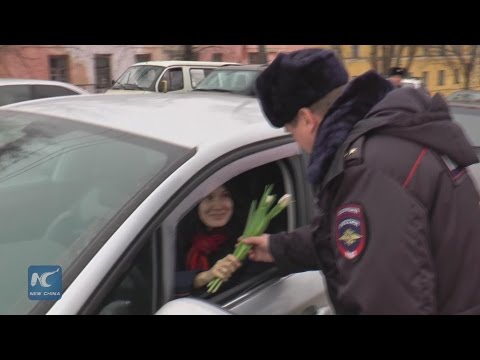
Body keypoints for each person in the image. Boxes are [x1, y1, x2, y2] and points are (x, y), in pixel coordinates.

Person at [242, 48, 480, 314]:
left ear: (308, 120)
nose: (295, 141)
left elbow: (388, 302)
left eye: (291, 131)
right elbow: (345, 236)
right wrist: (278, 247)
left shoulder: (367, 172)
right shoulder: (388, 142)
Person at [175, 181, 269, 297]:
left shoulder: (247, 242)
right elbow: (163, 282)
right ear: (194, 203)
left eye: (225, 195)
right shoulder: (180, 235)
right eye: (208, 197)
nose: (218, 206)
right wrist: (203, 277)